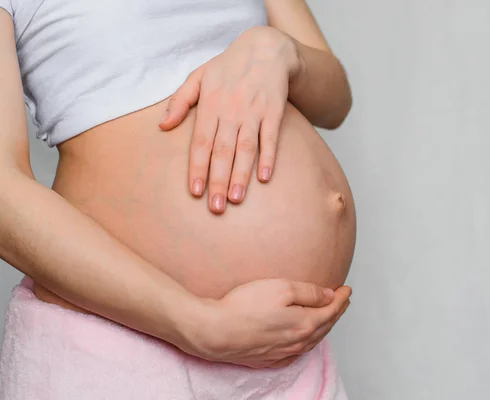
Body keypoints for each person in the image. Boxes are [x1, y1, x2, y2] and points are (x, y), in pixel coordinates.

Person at [0, 0, 357, 398]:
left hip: (287, 359)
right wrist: (196, 324)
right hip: (124, 349)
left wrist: (279, 50)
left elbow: (334, 101)